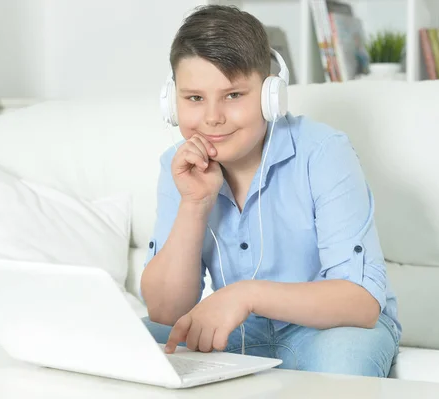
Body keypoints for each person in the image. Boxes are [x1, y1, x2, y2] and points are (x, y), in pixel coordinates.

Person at [140, 4, 401, 378]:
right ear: (172, 102)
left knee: (342, 358)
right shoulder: (177, 165)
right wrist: (194, 204)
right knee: (122, 341)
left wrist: (245, 295)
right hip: (238, 333)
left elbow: (360, 303)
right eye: (194, 98)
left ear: (270, 96)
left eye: (233, 95)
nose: (212, 117)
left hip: (331, 330)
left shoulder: (324, 152)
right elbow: (166, 311)